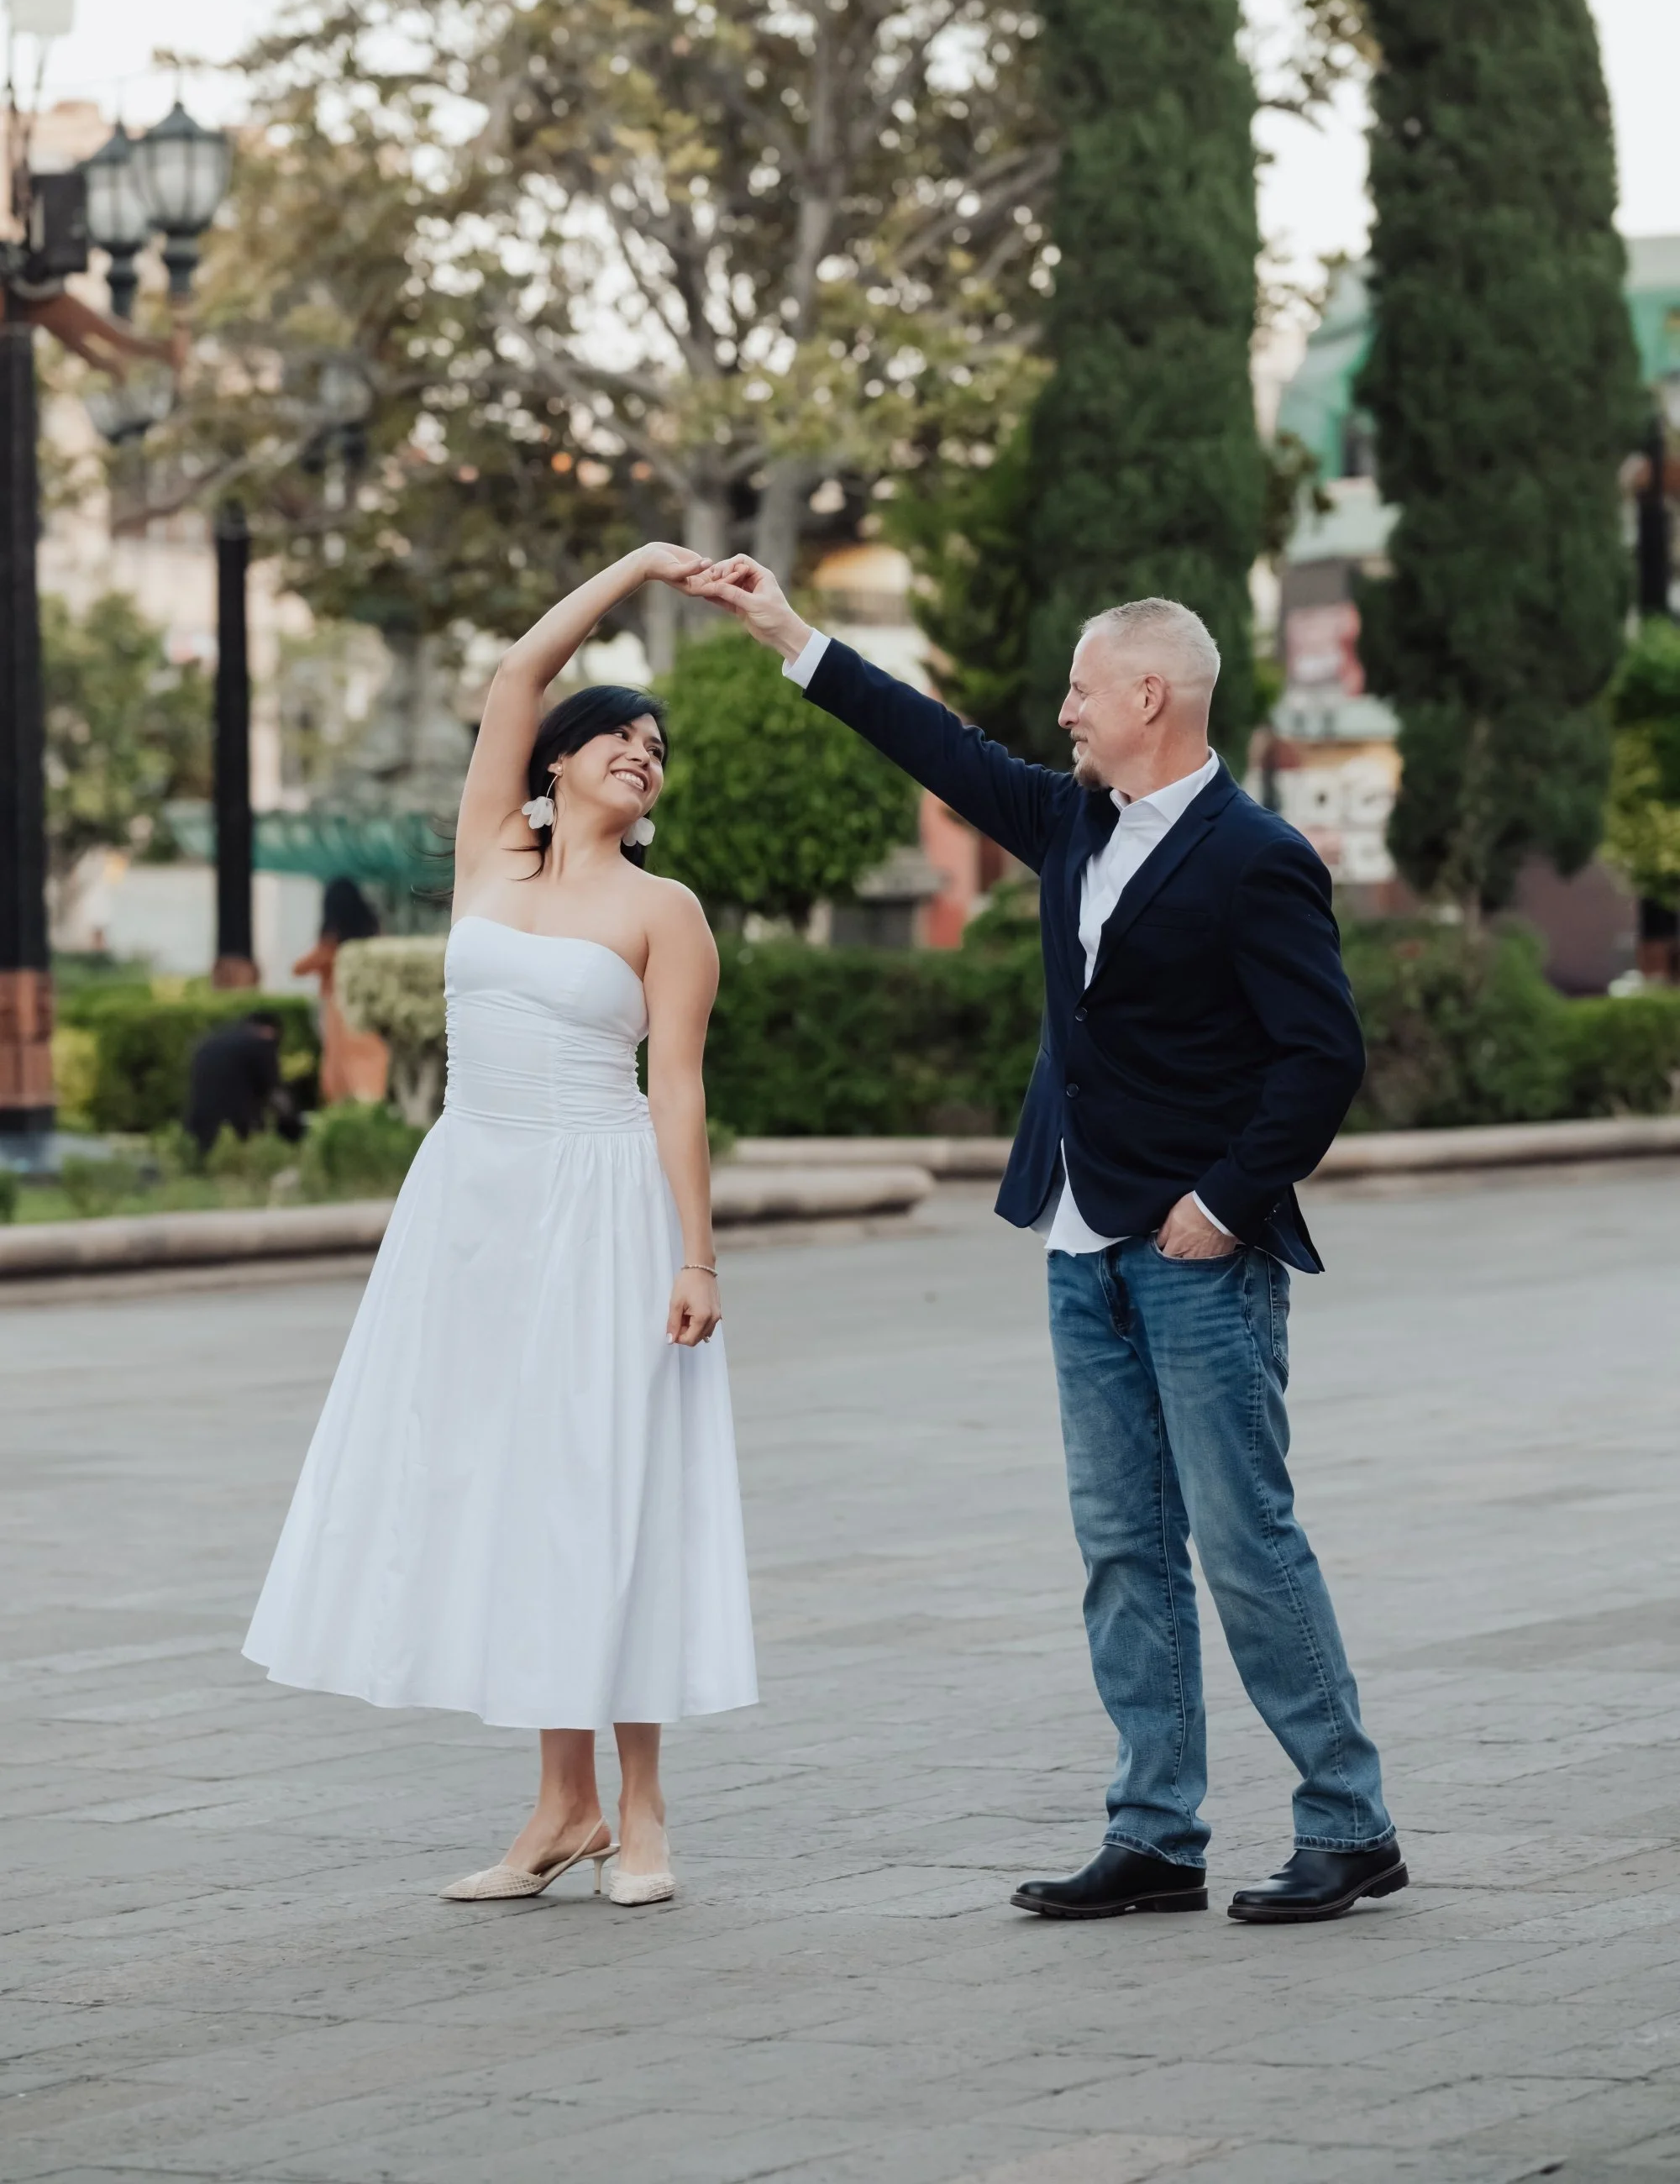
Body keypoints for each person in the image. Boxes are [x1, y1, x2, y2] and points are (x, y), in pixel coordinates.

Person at [692, 554, 1403, 1928]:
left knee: (1244, 1542)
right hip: (1081, 1241)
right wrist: (789, 633)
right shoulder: (1072, 820)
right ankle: (1156, 1833)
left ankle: (1349, 1821)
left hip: (1198, 1258)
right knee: (1123, 1549)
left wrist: (1222, 1203)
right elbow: (940, 747)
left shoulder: (1255, 856)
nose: (1064, 712)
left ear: (1151, 696)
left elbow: (1322, 1058)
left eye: (1083, 690)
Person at [244, 545, 757, 1910]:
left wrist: (697, 1254)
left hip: (603, 1208)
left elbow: (677, 1089)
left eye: (658, 749)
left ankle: (642, 1812)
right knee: (517, 1493)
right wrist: (639, 567)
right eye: (619, 737)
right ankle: (560, 1808)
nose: (642, 754)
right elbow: (521, 669)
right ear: (557, 763)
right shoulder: (491, 858)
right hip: (474, 1206)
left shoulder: (666, 912)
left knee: (611, 1486)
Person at [292, 876, 390, 1105]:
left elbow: (299, 968)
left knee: (339, 1062)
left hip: (337, 1006)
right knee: (368, 1056)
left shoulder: (332, 942)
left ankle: (343, 1110)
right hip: (368, 1005)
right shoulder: (372, 931)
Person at [183, 1010, 301, 1154]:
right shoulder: (261, 1044)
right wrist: (294, 1128)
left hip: (199, 1127)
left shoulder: (206, 1044)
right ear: (270, 1030)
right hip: (240, 1129)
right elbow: (276, 1095)